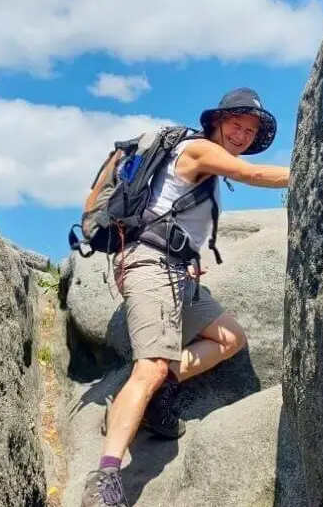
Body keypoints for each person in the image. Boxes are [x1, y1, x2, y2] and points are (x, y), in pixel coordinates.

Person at [80, 87, 291, 507]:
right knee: (152, 365)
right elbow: (253, 175)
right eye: (237, 123)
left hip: (178, 272)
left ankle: (159, 392)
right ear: (217, 121)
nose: (243, 134)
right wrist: (313, 170)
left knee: (229, 338)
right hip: (151, 267)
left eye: (250, 130)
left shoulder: (203, 168)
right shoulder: (197, 149)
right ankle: (105, 475)